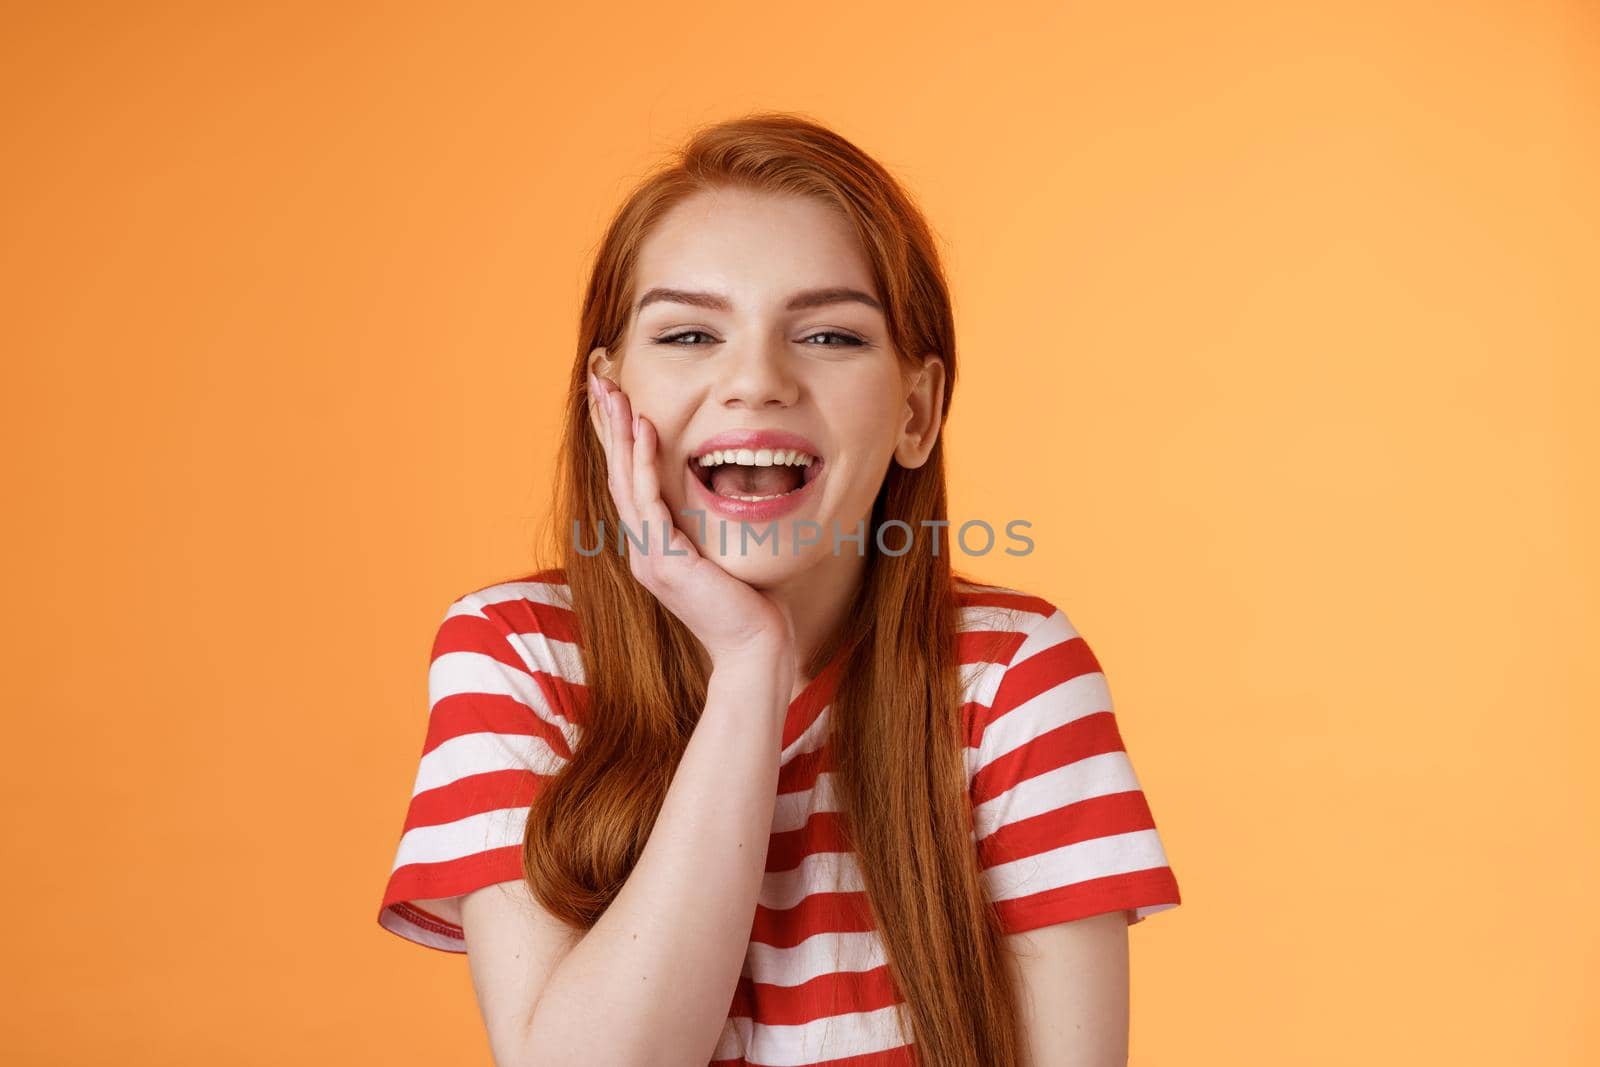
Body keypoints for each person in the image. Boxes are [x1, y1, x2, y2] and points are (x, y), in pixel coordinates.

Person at [376, 111, 1181, 1067]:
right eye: (687, 333)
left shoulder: (1013, 678)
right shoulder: (515, 654)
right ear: (607, 399)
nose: (755, 381)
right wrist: (750, 667)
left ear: (917, 412)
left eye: (831, 334)